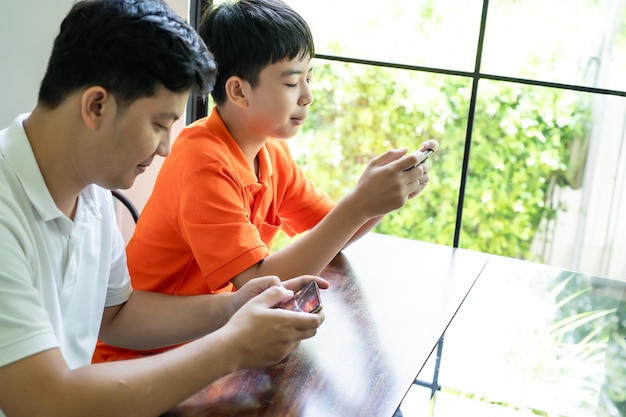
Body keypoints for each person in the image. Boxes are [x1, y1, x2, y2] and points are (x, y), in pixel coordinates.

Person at [0, 1, 326, 416]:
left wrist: (233, 305)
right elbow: (42, 399)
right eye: (158, 125)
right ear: (96, 106)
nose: (166, 149)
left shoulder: (92, 188)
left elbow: (117, 315)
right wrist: (230, 348)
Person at [94, 0, 437, 361]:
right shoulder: (202, 161)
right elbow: (259, 285)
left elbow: (330, 232)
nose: (308, 95)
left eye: (309, 78)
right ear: (239, 91)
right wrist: (360, 204)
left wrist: (381, 194)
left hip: (212, 345)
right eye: (292, 82)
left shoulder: (270, 152)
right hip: (140, 358)